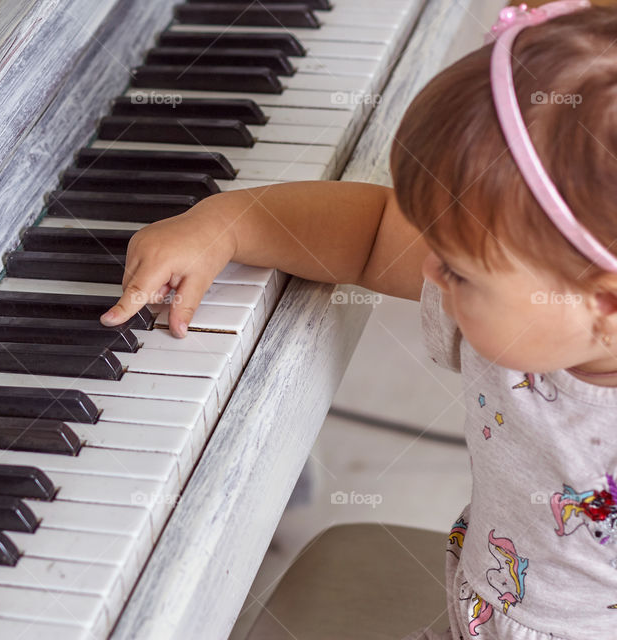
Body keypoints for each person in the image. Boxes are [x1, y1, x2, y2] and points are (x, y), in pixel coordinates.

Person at [101, 2, 617, 638]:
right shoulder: (535, 309)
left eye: (458, 269)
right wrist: (229, 224)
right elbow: (373, 234)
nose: (429, 271)